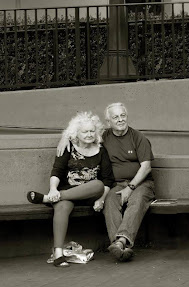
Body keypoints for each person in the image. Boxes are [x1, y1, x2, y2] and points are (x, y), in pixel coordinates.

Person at [58, 103, 155, 262]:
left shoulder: (138, 137)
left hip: (141, 184)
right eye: (115, 117)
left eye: (123, 115)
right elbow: (83, 133)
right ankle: (120, 248)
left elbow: (146, 168)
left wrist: (130, 188)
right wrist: (64, 138)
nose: (120, 119)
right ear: (108, 121)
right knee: (109, 201)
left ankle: (120, 242)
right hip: (116, 184)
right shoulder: (104, 137)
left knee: (136, 202)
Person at [27, 112, 114, 267]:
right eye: (85, 131)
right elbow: (57, 171)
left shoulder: (101, 151)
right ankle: (58, 254)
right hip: (67, 192)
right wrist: (53, 189)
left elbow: (107, 180)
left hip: (89, 194)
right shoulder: (68, 147)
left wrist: (101, 199)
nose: (89, 134)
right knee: (62, 207)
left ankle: (48, 199)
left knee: (98, 184)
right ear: (76, 133)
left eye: (92, 131)